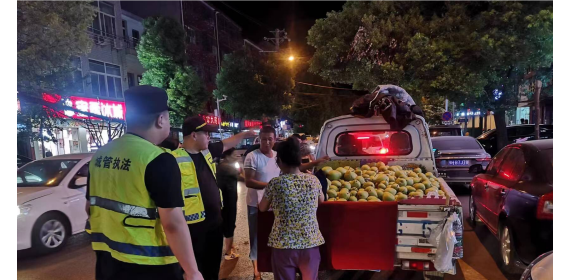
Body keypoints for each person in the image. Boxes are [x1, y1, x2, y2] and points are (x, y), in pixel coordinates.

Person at [84, 85, 202, 280]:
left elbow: (90, 207)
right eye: (168, 117)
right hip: (150, 265)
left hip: (107, 261)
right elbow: (173, 223)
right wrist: (192, 271)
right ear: (160, 119)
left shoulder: (101, 154)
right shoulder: (158, 159)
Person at [170, 116, 255, 280]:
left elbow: (227, 143)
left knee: (212, 270)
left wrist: (244, 134)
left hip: (214, 225)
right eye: (206, 133)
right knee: (194, 271)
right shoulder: (173, 160)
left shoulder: (206, 153)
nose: (209, 137)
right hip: (192, 229)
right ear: (194, 135)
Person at [259, 137, 325, 280]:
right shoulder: (313, 180)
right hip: (310, 243)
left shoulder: (275, 183)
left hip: (283, 245)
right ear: (299, 160)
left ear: (280, 161)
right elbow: (321, 201)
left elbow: (262, 207)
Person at [244, 126, 281, 280]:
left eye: (269, 139)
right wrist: (271, 185)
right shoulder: (252, 157)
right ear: (259, 139)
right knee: (256, 237)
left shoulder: (278, 156)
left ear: (275, 139)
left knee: (274, 236)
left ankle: (274, 267)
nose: (266, 142)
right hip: (255, 204)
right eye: (263, 139)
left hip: (275, 205)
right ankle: (256, 272)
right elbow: (248, 181)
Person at [217, 148, 242, 260]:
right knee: (230, 223)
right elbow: (242, 176)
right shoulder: (227, 168)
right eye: (234, 155)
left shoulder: (221, 166)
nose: (237, 157)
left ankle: (229, 245)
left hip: (225, 199)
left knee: (228, 222)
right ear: (227, 156)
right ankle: (228, 252)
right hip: (228, 201)